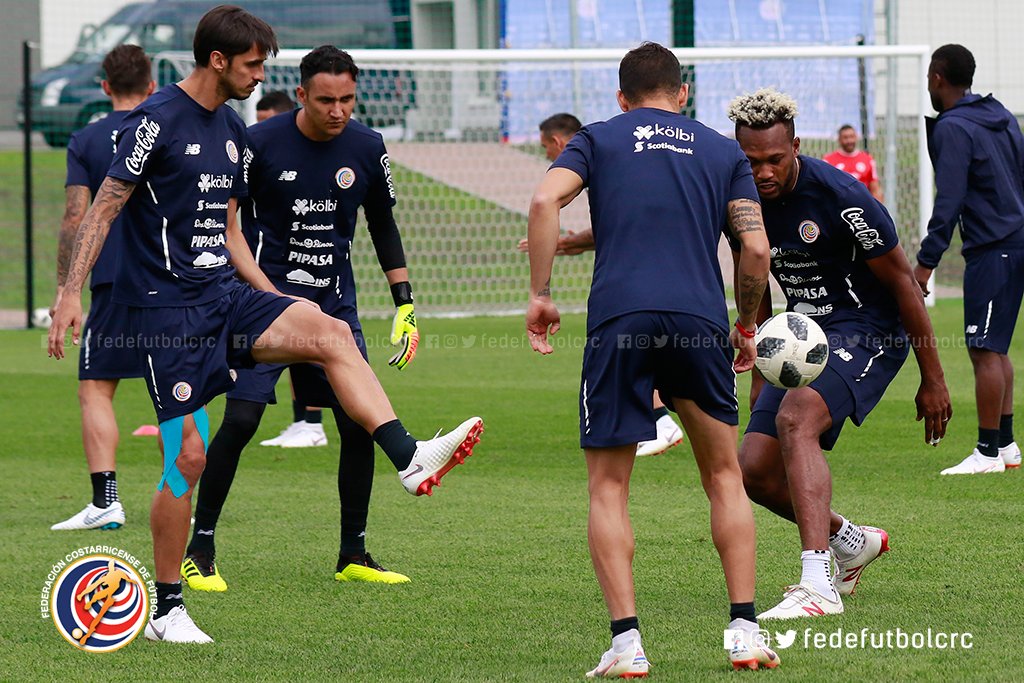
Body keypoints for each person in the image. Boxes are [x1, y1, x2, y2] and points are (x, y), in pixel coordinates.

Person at [47, 5, 483, 644]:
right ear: (218, 60)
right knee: (186, 460)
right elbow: (106, 207)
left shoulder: (231, 128)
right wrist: (68, 292)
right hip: (166, 316)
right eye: (253, 64)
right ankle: (168, 607)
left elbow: (227, 230)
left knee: (329, 332)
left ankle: (409, 458)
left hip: (227, 296)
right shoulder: (153, 121)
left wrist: (273, 297)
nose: (261, 75)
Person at [527, 42, 778, 675]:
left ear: (621, 97)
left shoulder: (599, 138)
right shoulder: (722, 151)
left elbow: (541, 203)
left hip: (620, 321)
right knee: (723, 475)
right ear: (682, 94)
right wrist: (746, 323)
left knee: (609, 487)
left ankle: (628, 644)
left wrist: (540, 294)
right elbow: (755, 249)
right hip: (698, 321)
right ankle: (745, 632)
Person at [182, 45, 418, 592]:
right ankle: (201, 548)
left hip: (334, 308)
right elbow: (228, 224)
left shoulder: (367, 146)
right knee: (241, 422)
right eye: (327, 100)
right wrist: (266, 296)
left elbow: (382, 224)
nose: (338, 111)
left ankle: (353, 552)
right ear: (303, 95)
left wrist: (403, 299)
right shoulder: (257, 142)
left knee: (360, 424)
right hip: (261, 305)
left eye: (348, 100)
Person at [727, 88, 951, 620]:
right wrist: (757, 347)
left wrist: (933, 378)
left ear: (796, 147)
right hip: (802, 334)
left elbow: (903, 284)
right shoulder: (738, 199)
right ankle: (852, 540)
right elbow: (751, 271)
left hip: (870, 329)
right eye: (751, 161)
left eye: (774, 160)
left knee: (796, 418)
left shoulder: (842, 196)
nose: (763, 172)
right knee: (752, 472)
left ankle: (817, 584)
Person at [519, 112, 686, 458]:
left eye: (546, 150)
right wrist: (569, 244)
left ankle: (660, 422)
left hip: (634, 284)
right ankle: (660, 419)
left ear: (558, 143)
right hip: (688, 286)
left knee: (626, 350)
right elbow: (623, 225)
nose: (549, 158)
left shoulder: (597, 151)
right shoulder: (652, 154)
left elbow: (545, 201)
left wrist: (541, 291)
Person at [49, 45, 155, 532]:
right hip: (169, 282)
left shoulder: (87, 139)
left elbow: (76, 217)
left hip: (111, 282)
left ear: (105, 86)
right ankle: (179, 498)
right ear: (152, 86)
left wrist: (63, 289)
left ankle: (106, 500)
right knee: (178, 396)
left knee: (96, 389)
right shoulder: (166, 126)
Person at [913, 44, 1024, 474]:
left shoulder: (954, 127)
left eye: (928, 76)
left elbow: (949, 201)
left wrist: (925, 262)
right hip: (1012, 240)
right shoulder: (1001, 116)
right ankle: (1008, 445)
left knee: (983, 350)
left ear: (938, 77)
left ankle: (987, 452)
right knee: (995, 349)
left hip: (994, 247)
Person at [252, 88, 330, 448]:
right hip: (263, 267)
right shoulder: (258, 160)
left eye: (269, 123)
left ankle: (312, 423)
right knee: (289, 345)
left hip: (305, 269)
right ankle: (302, 421)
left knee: (307, 344)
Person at [823, 125, 883, 202]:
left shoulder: (867, 159)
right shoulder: (828, 161)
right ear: (839, 139)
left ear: (856, 137)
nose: (849, 141)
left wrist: (878, 210)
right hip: (838, 207)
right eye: (845, 137)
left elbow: (875, 189)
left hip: (862, 206)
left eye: (851, 137)